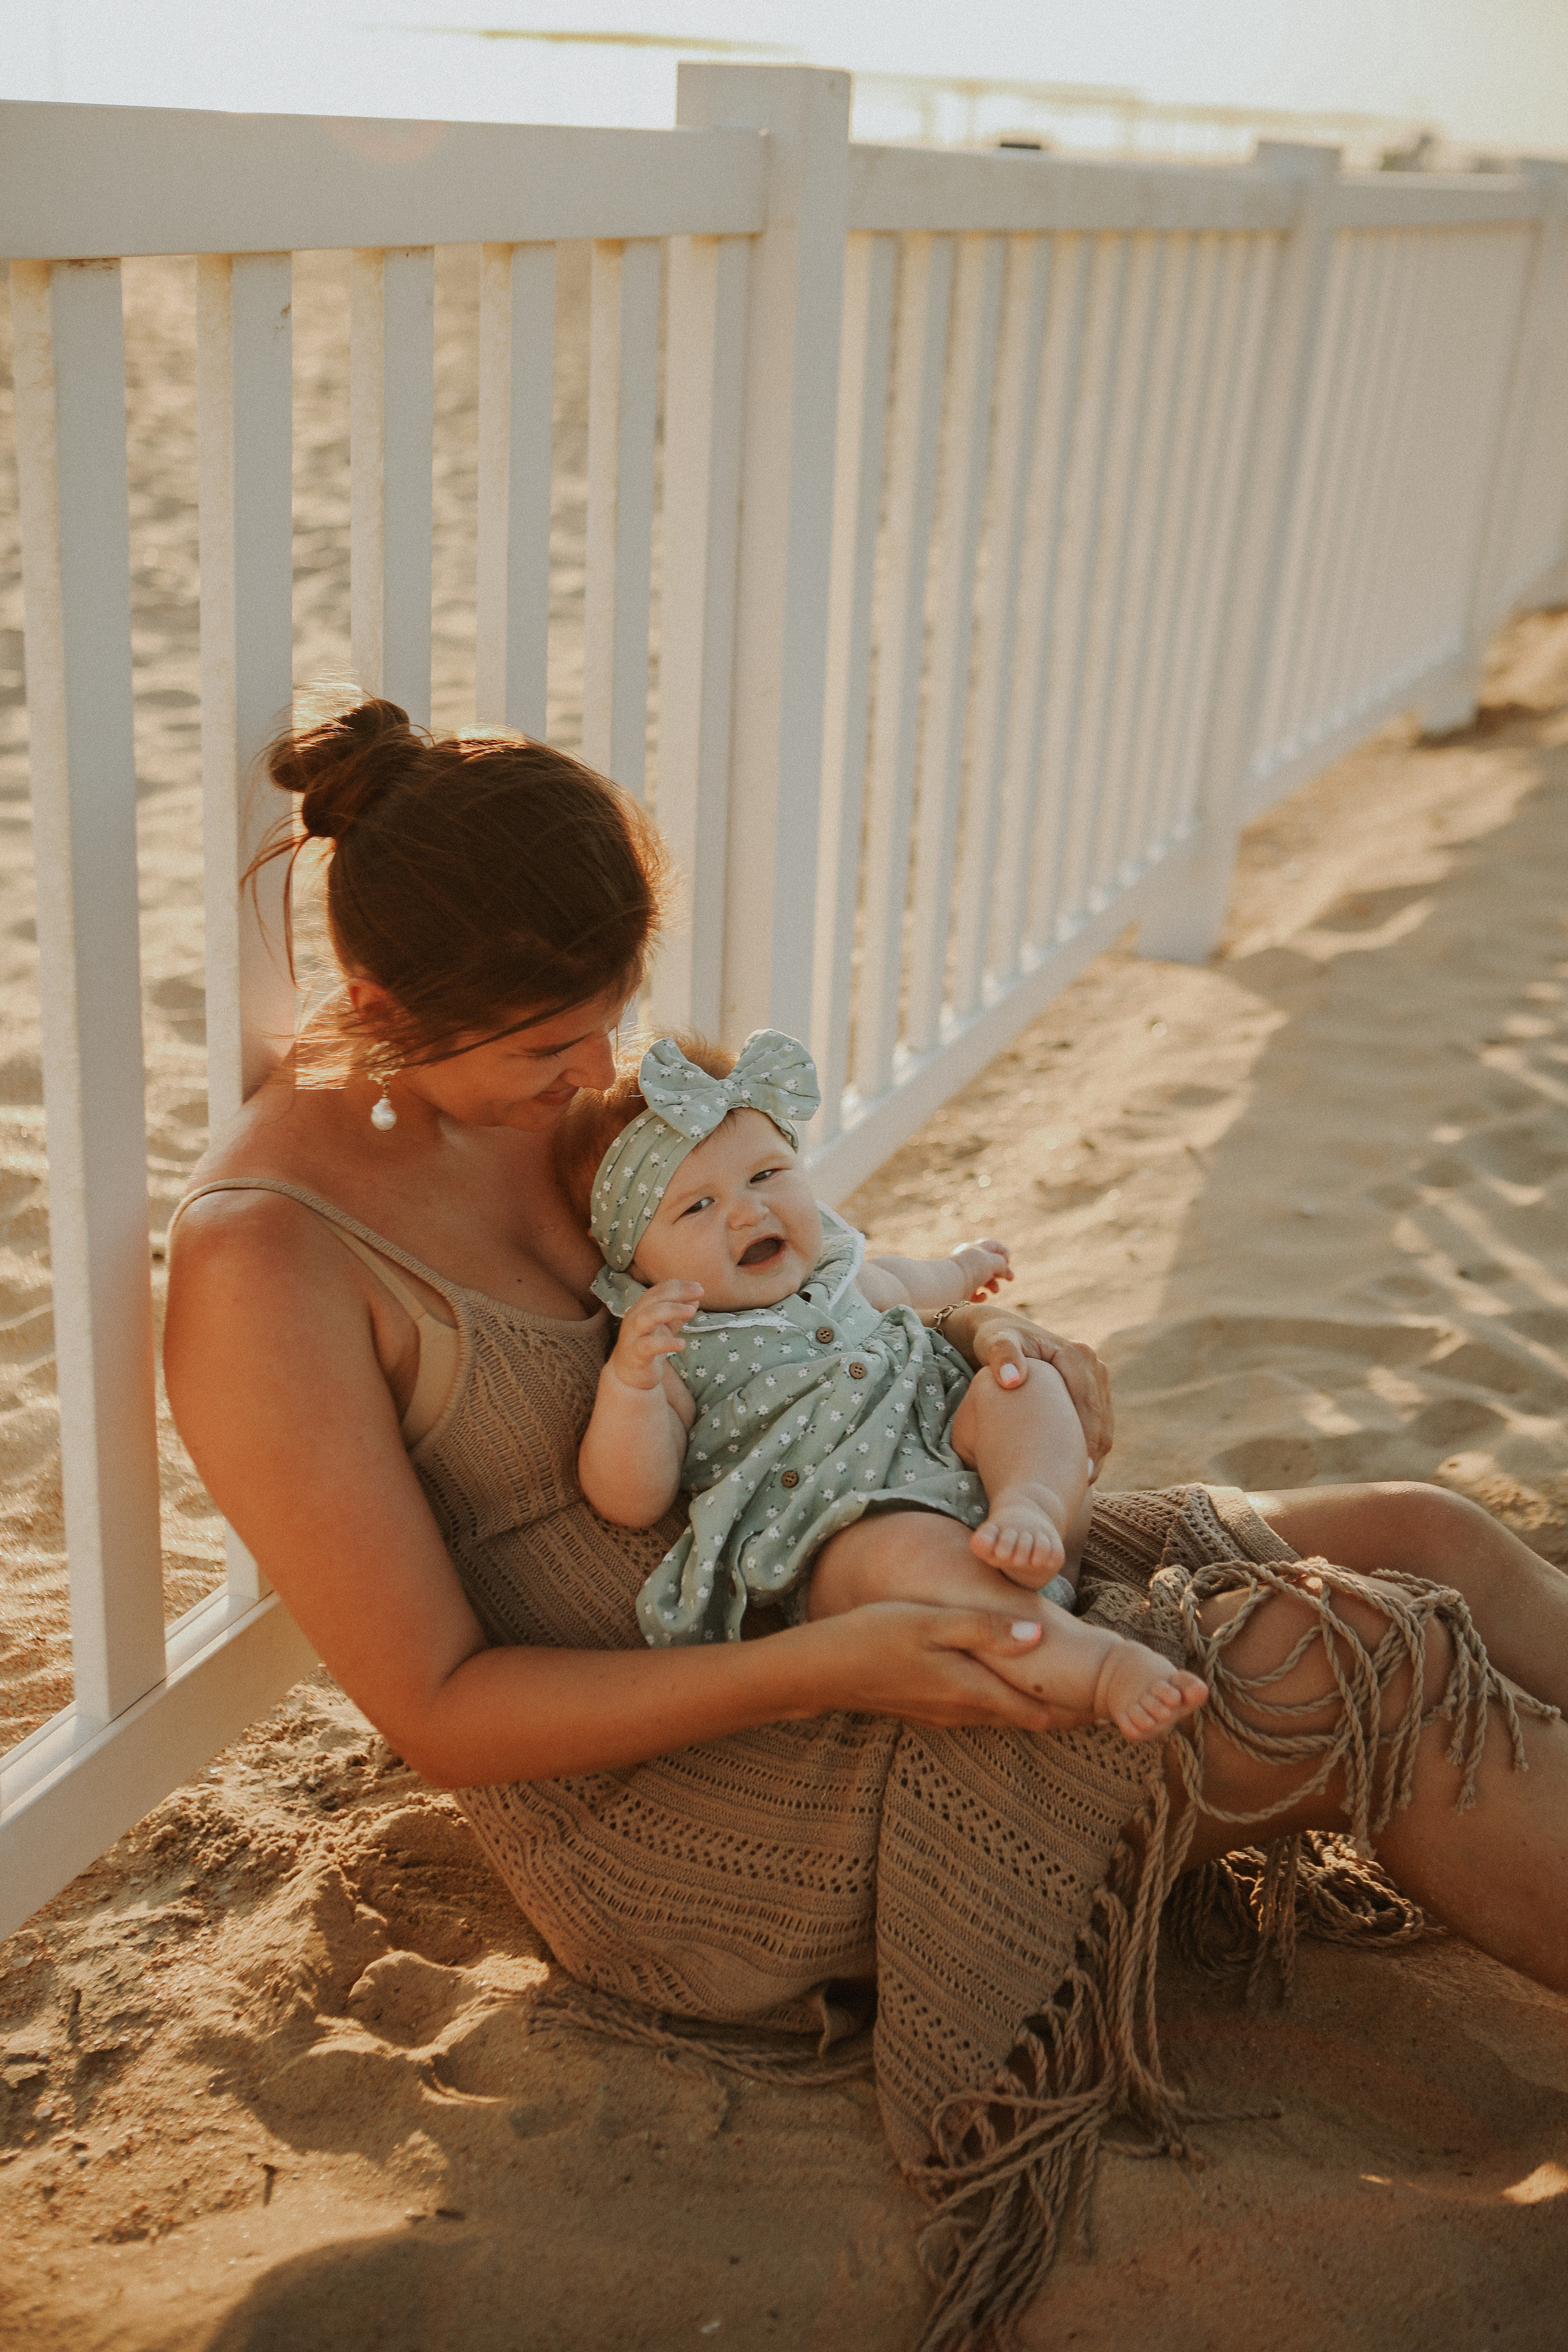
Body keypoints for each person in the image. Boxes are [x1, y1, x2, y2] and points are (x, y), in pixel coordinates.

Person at [164, 694, 1568, 2352]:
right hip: (697, 1784)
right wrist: (836, 1662)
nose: (597, 1078)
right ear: (383, 1010)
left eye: (610, 1023)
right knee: (1349, 1664)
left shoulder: (541, 1093)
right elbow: (445, 1713)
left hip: (859, 1555)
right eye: (551, 1048)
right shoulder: (273, 1264)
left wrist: (986, 1349)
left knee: (1429, 1533)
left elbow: (798, 1292)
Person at [565, 1027, 1209, 1742]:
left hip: (974, 1463)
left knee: (1017, 1379)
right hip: (850, 1527)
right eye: (697, 1207)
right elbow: (630, 1497)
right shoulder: (679, 1349)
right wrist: (631, 1383)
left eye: (765, 1175)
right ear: (635, 1260)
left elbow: (916, 1282)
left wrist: (965, 1270)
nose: (749, 1211)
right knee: (905, 1559)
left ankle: (1033, 1501)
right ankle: (1102, 1667)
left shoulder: (840, 1271)